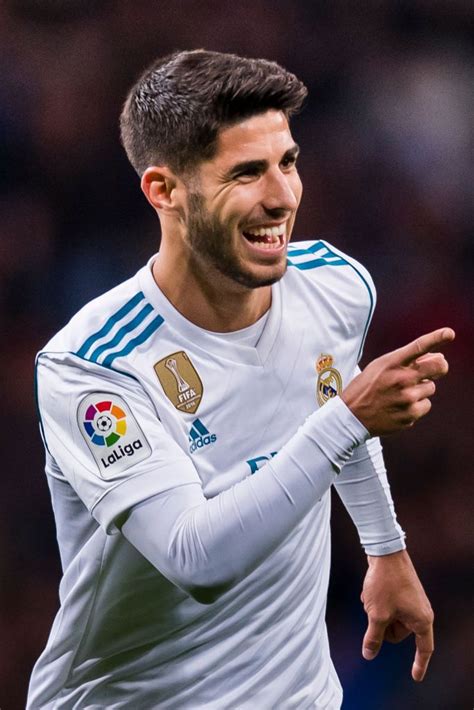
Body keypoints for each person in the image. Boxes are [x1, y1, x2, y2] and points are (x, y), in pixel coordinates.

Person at [28, 50, 454, 709]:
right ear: (164, 191)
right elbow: (195, 559)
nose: (283, 196)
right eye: (247, 172)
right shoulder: (93, 367)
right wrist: (349, 415)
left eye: (288, 161)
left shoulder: (336, 284)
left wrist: (385, 546)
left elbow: (330, 397)